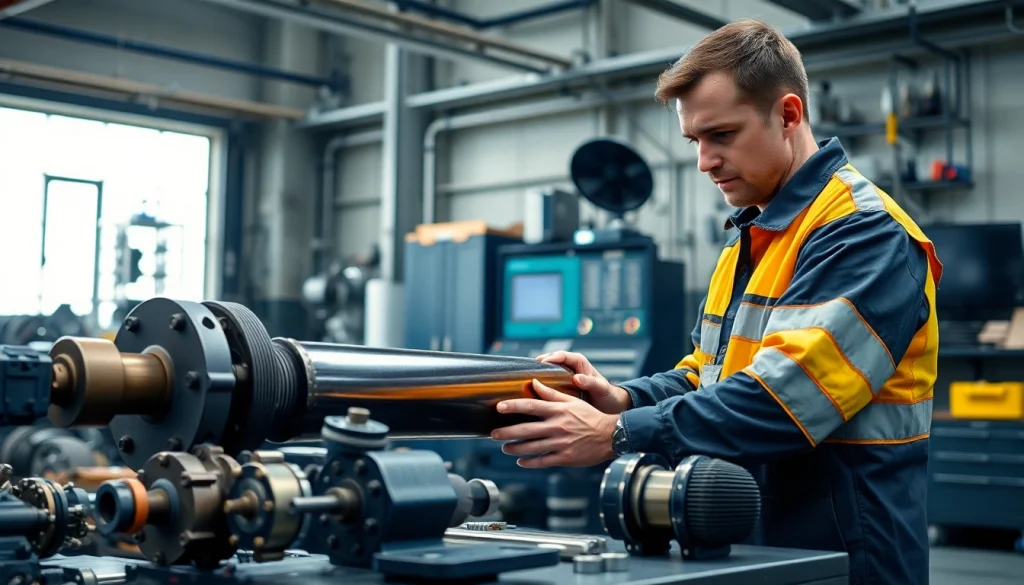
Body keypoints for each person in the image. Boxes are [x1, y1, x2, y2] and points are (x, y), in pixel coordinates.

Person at [490, 18, 941, 585]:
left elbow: (785, 399)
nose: (704, 162)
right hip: (755, 544)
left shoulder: (863, 235)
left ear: (788, 114)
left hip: (849, 555)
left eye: (721, 135)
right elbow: (712, 375)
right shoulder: (751, 237)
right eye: (694, 141)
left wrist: (618, 435)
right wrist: (621, 399)